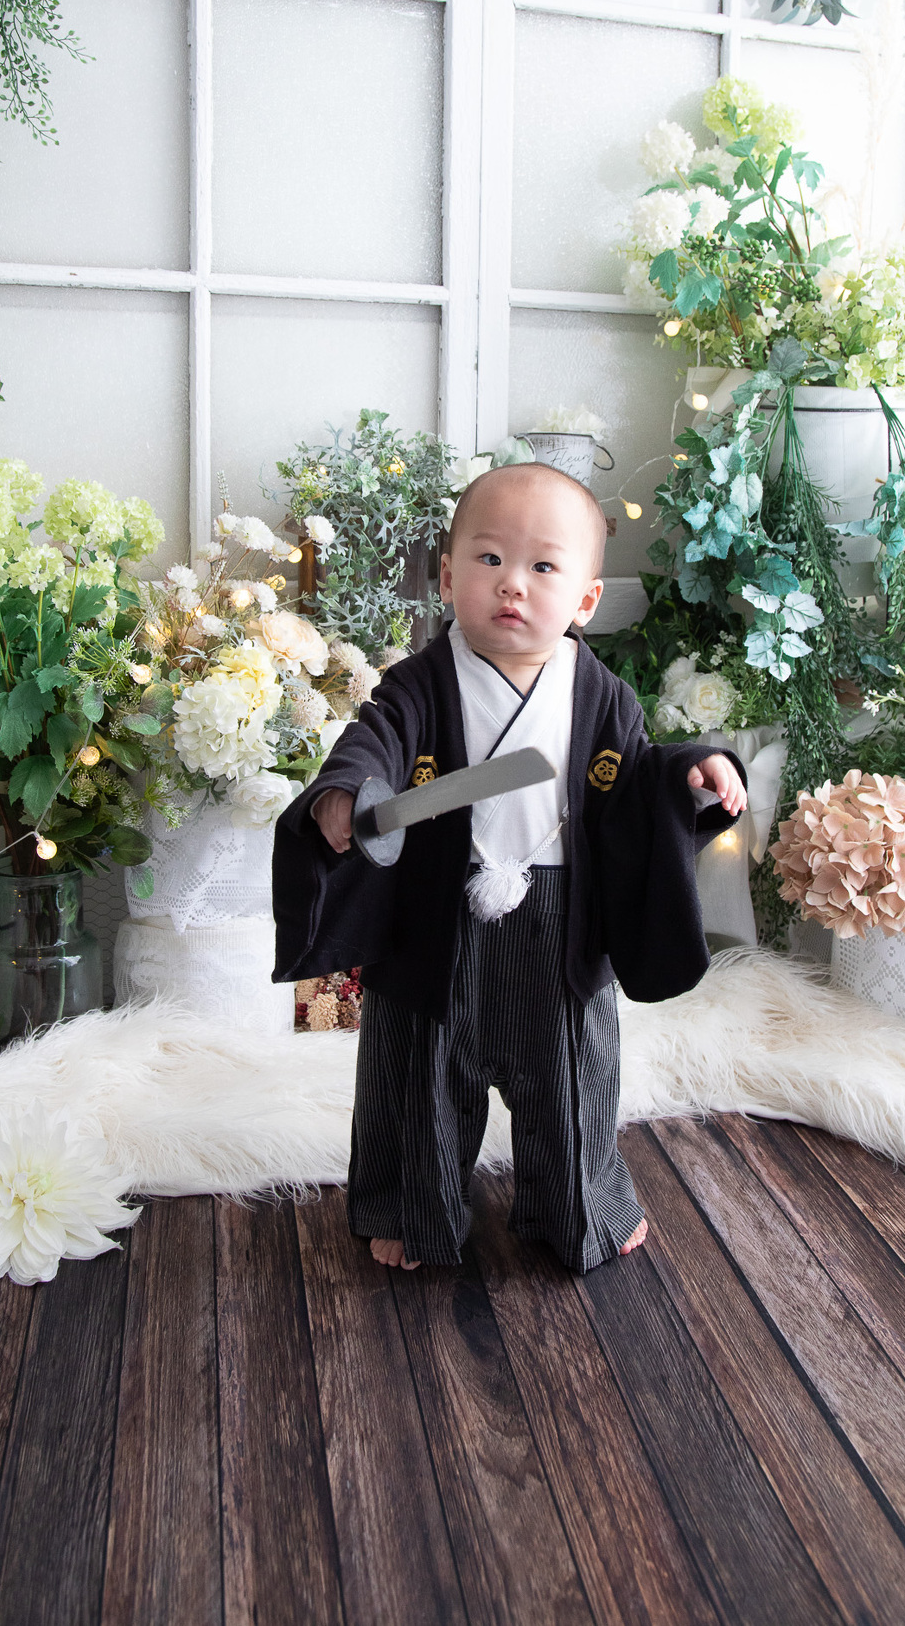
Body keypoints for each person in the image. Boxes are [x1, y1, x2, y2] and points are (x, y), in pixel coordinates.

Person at [272, 462, 747, 1273]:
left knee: (571, 1075)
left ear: (585, 600)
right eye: (489, 558)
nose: (512, 584)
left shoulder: (602, 695)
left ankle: (581, 1208)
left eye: (543, 566)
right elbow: (373, 738)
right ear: (446, 576)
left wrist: (690, 771)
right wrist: (346, 790)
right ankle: (411, 1208)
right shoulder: (417, 685)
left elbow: (637, 777)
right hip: (435, 914)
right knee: (417, 1072)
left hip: (560, 920)